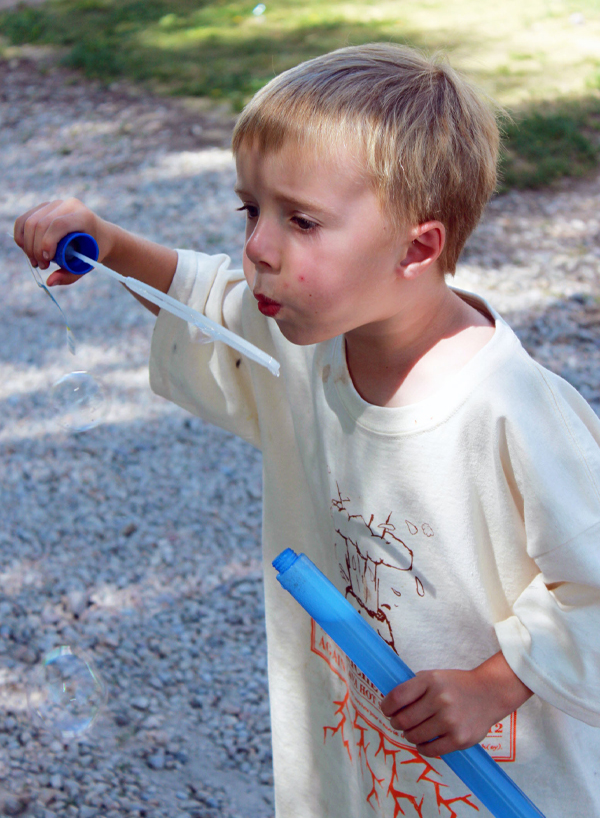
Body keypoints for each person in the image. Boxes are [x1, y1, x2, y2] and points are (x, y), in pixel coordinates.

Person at [14, 44, 600, 818]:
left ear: (417, 247)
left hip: (504, 791)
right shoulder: (311, 346)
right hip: (357, 774)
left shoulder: (510, 410)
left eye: (302, 219)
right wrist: (110, 245)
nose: (257, 247)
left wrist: (494, 684)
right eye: (250, 210)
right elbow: (207, 306)